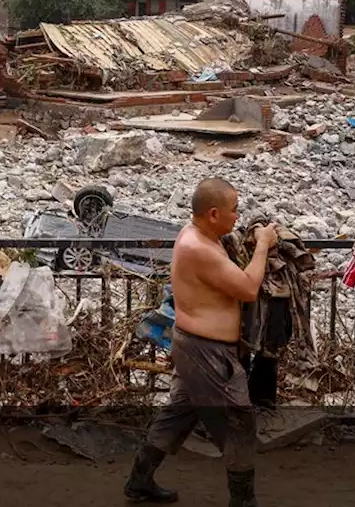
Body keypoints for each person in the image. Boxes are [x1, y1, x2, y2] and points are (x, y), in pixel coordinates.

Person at [123, 178, 277, 507]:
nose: (237, 216)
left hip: (195, 348)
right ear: (212, 213)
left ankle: (139, 482)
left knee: (178, 413)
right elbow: (249, 287)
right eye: (234, 211)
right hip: (207, 353)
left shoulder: (199, 235)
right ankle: (243, 501)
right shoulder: (199, 248)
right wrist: (263, 243)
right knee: (239, 423)